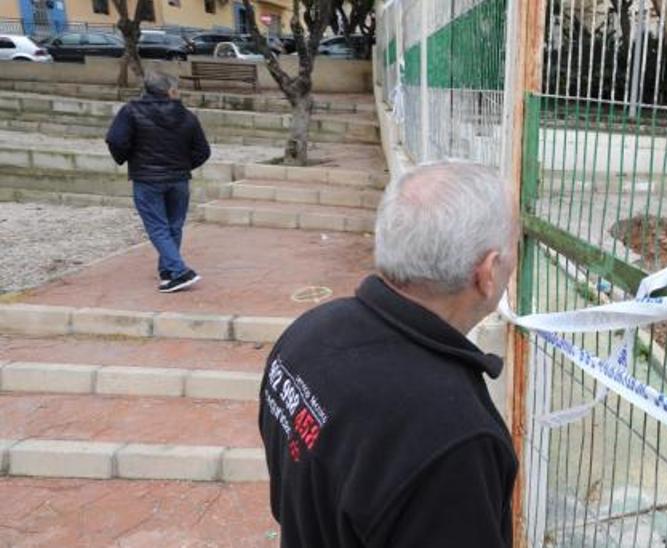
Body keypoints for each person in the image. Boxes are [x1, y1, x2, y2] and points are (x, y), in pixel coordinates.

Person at [259, 161, 519, 547]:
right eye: (516, 245)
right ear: (488, 272)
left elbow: (291, 493)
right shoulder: (455, 437)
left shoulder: (308, 335)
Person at [105, 71, 209, 293]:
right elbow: (202, 151)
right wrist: (183, 165)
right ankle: (168, 270)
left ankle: (179, 271)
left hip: (147, 179)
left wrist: (127, 158)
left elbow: (115, 140)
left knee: (158, 227)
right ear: (170, 90)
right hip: (178, 179)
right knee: (173, 226)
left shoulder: (130, 111)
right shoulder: (187, 116)